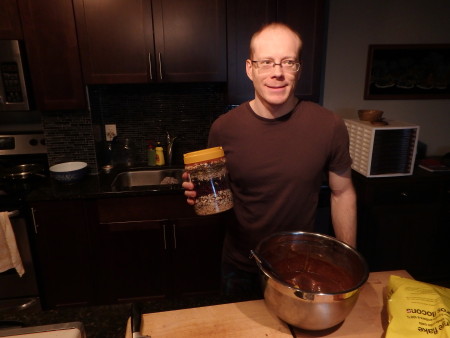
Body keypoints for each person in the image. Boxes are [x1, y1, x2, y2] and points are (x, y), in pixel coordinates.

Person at [182, 22, 357, 299]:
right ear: (250, 68)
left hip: (301, 267)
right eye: (267, 62)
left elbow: (342, 192)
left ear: (298, 68)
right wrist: (200, 192)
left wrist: (348, 259)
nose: (277, 73)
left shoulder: (329, 125)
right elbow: (218, 192)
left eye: (288, 62)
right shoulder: (223, 128)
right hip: (241, 266)